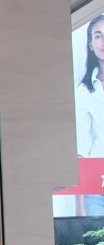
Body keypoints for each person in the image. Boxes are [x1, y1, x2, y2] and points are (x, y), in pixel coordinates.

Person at [75, 15, 104, 216]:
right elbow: (81, 148)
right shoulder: (84, 91)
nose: (103, 42)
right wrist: (79, 204)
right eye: (98, 36)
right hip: (97, 183)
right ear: (91, 44)